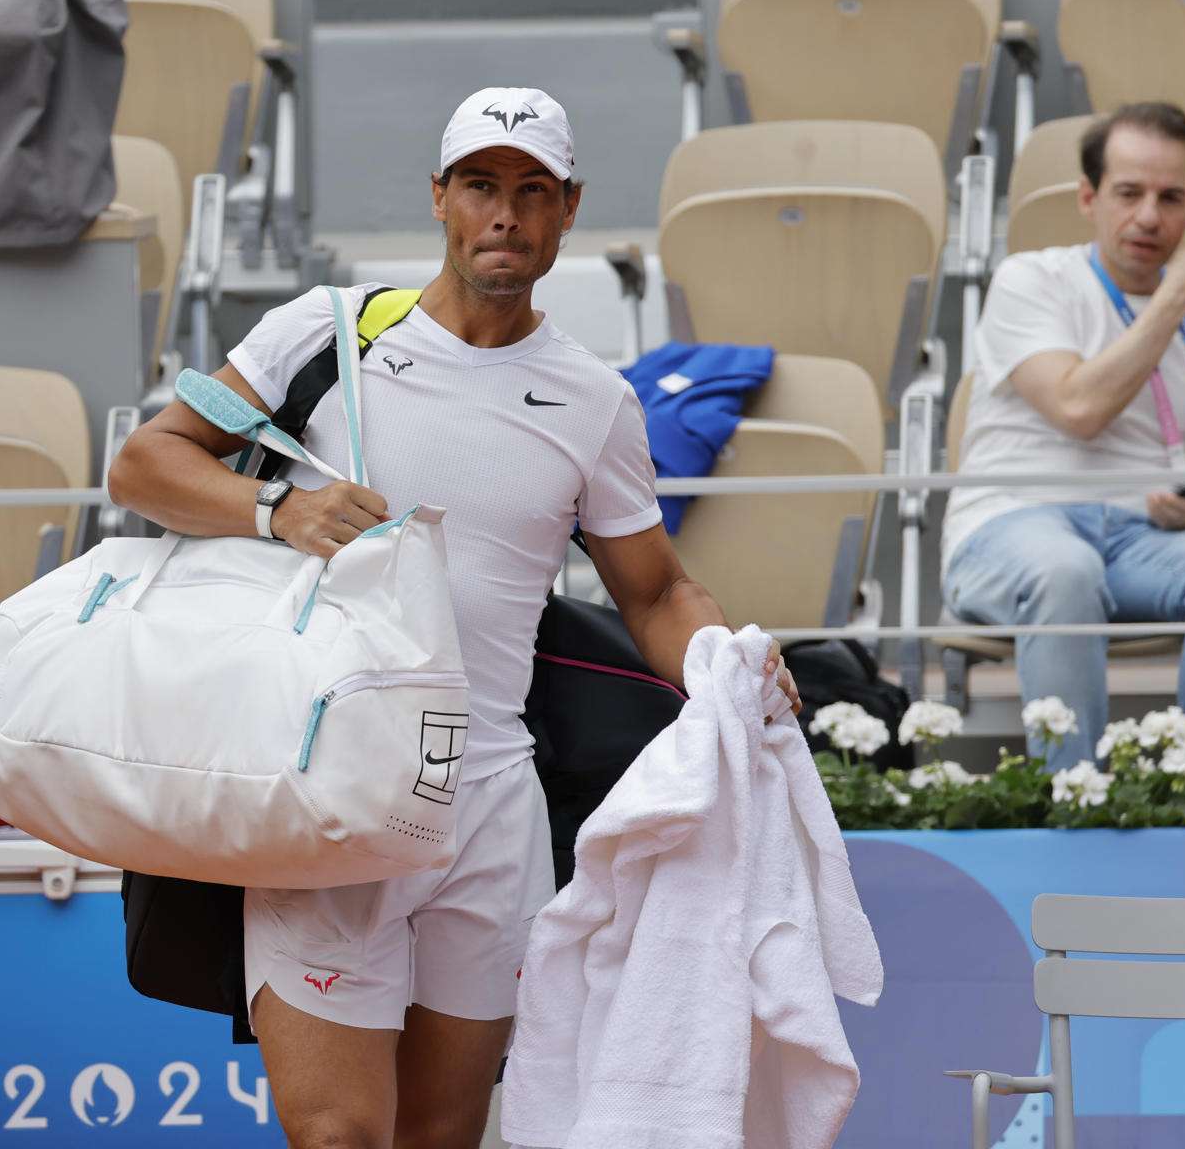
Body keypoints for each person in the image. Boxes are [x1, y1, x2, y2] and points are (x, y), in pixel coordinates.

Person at [108, 86, 800, 1148]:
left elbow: (655, 590)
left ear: (569, 209)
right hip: (324, 786)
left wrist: (728, 663)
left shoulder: (594, 398)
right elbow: (145, 463)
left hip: (488, 806)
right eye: (480, 185)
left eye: (531, 192)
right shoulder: (325, 327)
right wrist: (277, 508)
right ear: (439, 197)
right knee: (340, 1134)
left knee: (446, 1137)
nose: (505, 216)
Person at [941, 102, 1185, 766]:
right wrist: (1173, 298)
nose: (1149, 217)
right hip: (1012, 523)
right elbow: (1078, 407)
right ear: (1088, 197)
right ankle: (1076, 799)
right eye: (1129, 193)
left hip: (1142, 541)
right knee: (1067, 568)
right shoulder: (1030, 280)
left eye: (1170, 198)